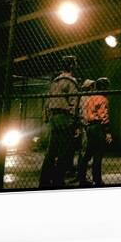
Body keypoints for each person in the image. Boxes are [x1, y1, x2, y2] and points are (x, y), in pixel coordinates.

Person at [39, 56, 79, 189]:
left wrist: (47, 117)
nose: (76, 66)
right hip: (64, 117)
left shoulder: (55, 81)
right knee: (64, 152)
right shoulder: (70, 81)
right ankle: (58, 180)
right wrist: (74, 122)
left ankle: (44, 180)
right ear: (72, 66)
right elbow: (74, 103)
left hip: (53, 117)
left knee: (51, 151)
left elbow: (48, 101)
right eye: (75, 64)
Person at [78, 77, 112, 187]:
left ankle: (82, 178)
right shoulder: (103, 98)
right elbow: (103, 116)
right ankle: (97, 180)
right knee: (98, 154)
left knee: (88, 154)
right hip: (98, 127)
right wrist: (107, 132)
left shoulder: (91, 98)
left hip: (89, 127)